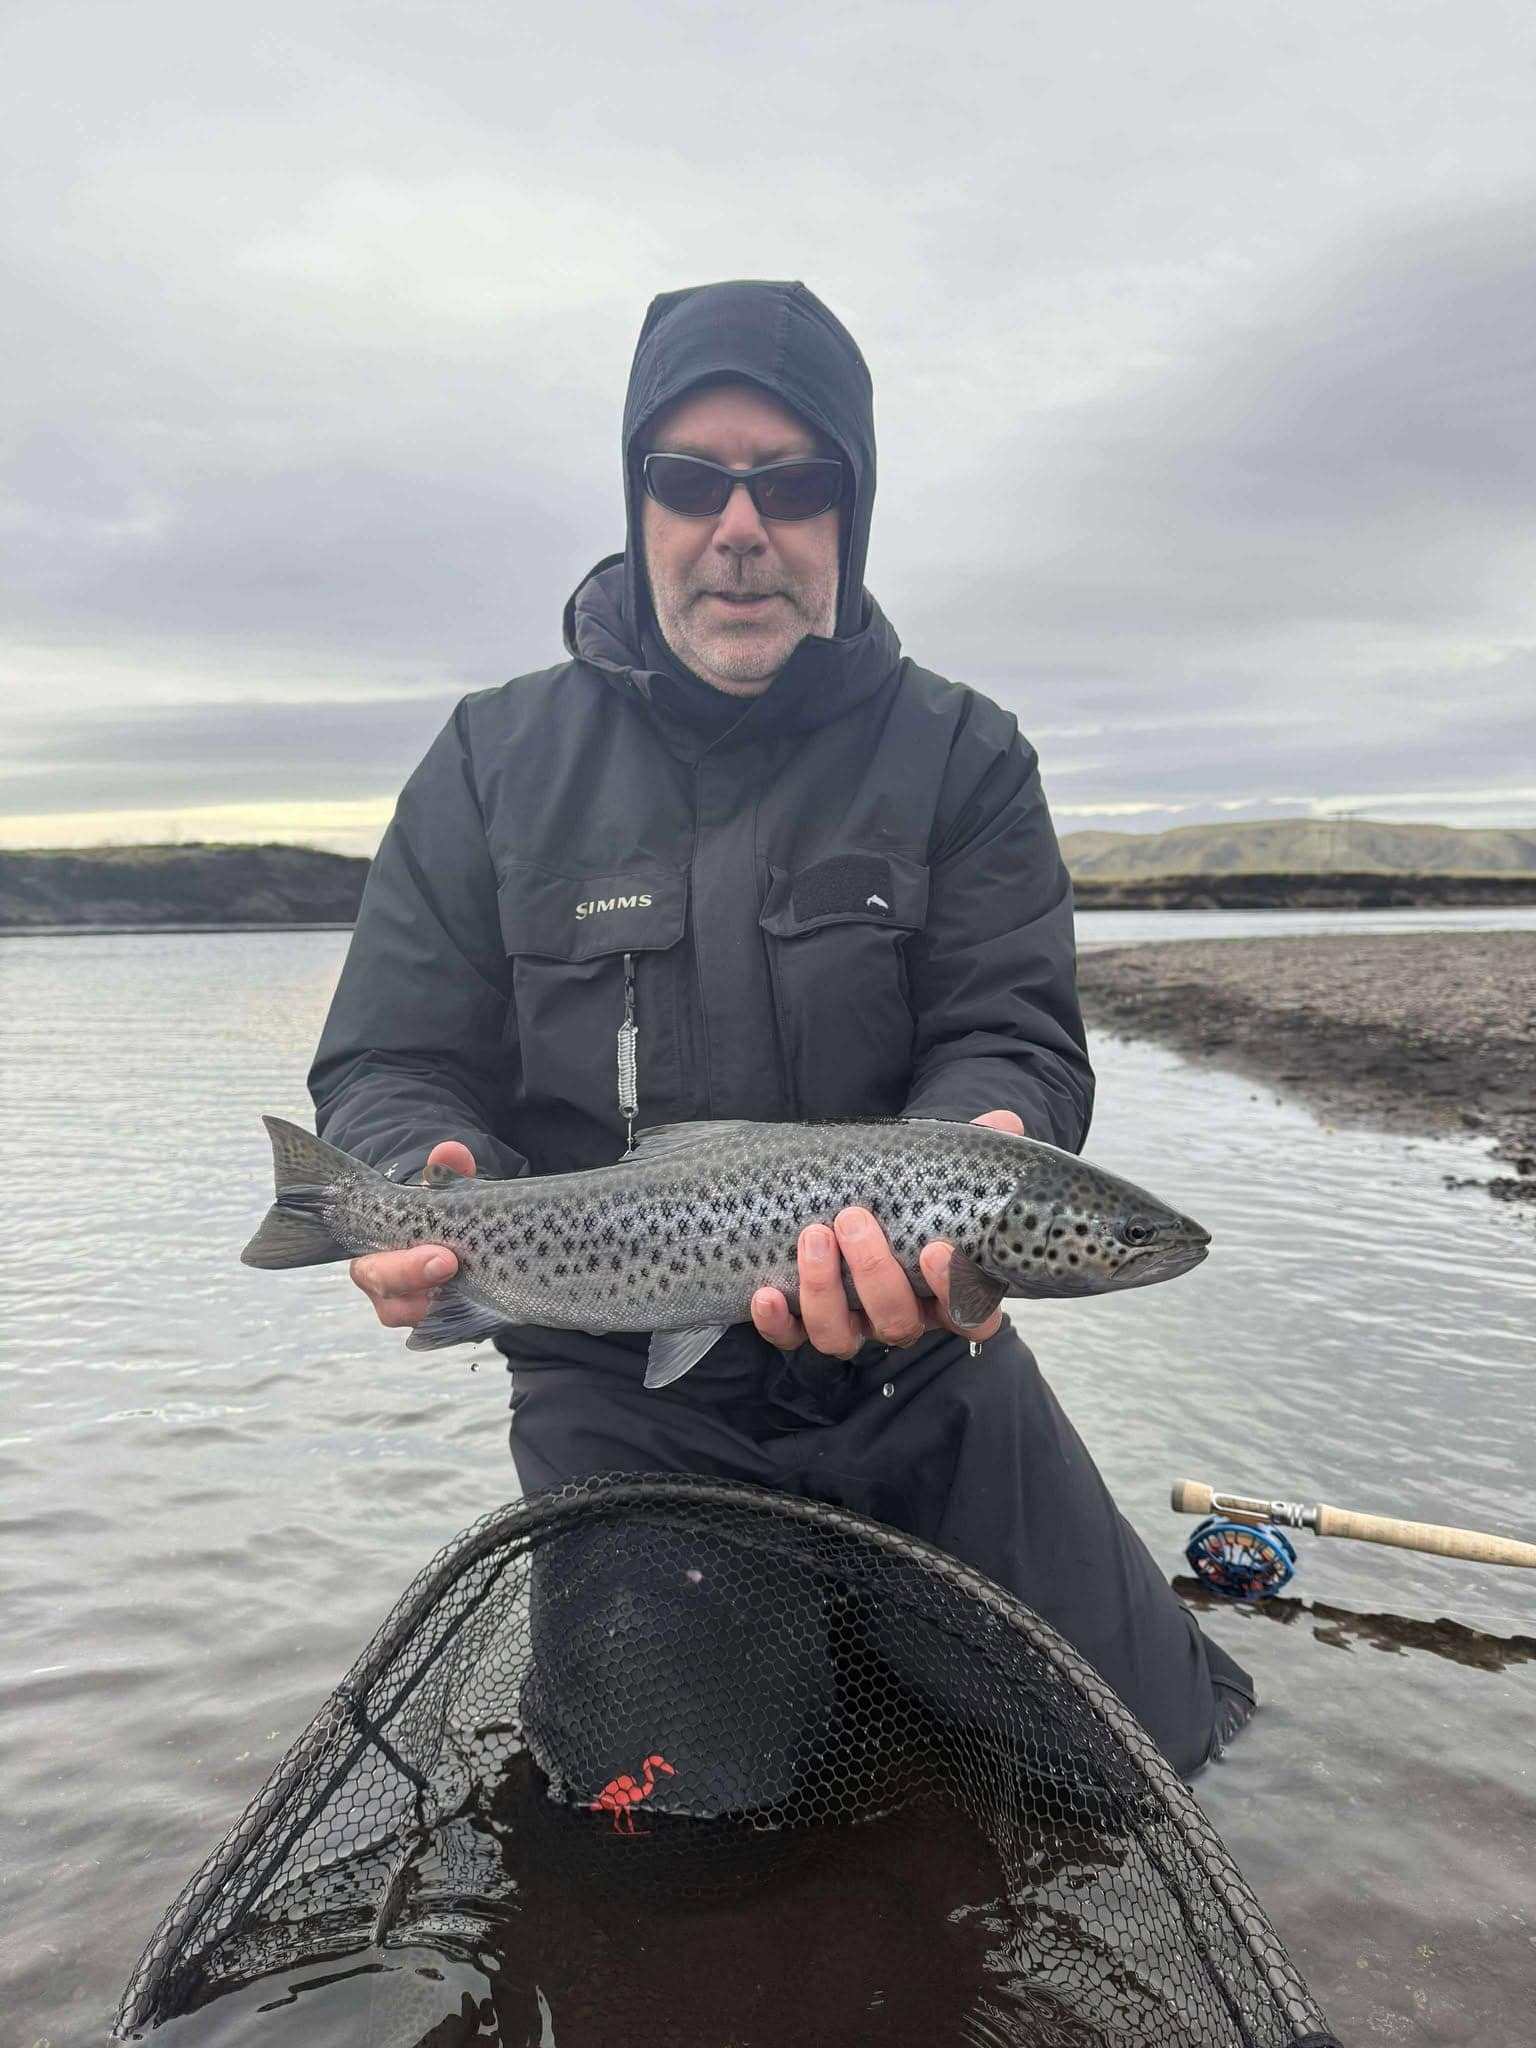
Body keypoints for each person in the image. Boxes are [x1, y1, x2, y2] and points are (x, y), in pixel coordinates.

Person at [308, 279, 1252, 1775]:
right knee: (672, 1825)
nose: (737, 525)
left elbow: (1015, 1029)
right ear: (639, 504)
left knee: (1143, 1763)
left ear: (846, 513)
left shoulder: (966, 755)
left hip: (922, 1374)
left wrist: (996, 1132)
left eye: (792, 482)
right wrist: (398, 1174)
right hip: (619, 1398)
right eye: (690, 481)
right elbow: (392, 1057)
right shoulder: (492, 761)